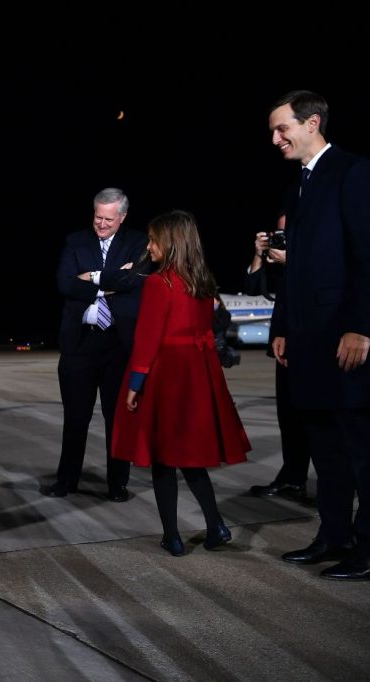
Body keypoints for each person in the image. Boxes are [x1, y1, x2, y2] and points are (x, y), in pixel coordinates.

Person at [268, 90, 370, 581]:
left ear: (312, 122)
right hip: (307, 339)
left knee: (361, 449)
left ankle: (367, 549)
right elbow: (299, 270)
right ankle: (334, 535)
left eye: (281, 128)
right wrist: (284, 327)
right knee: (325, 447)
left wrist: (361, 326)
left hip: (345, 337)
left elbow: (368, 257)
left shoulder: (352, 172)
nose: (275, 139)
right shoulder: (298, 187)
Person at [111, 210, 251, 556]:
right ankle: (216, 525)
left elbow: (148, 338)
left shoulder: (160, 283)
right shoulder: (203, 283)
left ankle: (172, 536)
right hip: (197, 375)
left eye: (153, 240)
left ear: (170, 243)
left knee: (163, 459)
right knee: (190, 457)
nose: (149, 246)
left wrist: (135, 382)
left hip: (166, 375)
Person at [45, 187, 148, 502]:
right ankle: (66, 480)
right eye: (97, 217)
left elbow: (138, 281)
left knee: (116, 419)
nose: (101, 224)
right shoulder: (76, 241)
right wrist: (113, 281)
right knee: (76, 417)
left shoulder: (138, 242)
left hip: (118, 344)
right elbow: (65, 283)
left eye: (108, 219)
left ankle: (117, 484)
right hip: (80, 342)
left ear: (122, 217)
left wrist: (92, 277)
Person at [242, 213, 311, 499]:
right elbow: (251, 289)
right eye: (278, 233)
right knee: (288, 415)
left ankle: (337, 484)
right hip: (285, 343)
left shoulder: (314, 258)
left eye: (287, 232)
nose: (282, 238)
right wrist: (259, 255)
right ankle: (292, 477)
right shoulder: (279, 261)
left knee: (317, 419)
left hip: (313, 343)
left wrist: (292, 261)